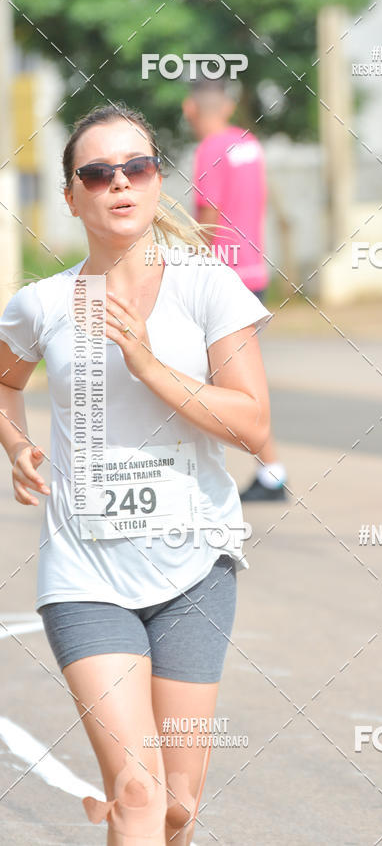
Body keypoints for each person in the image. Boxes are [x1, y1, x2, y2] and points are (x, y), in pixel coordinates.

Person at [0, 102, 273, 846]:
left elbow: (254, 426)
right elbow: (3, 378)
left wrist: (147, 364)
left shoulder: (206, 288)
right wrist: (14, 442)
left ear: (158, 182)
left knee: (178, 808)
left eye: (137, 167)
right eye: (97, 172)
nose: (119, 183)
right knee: (136, 790)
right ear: (72, 196)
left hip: (195, 569)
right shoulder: (43, 303)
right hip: (84, 572)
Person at [182, 78, 289, 502]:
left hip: (223, 278)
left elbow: (208, 219)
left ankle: (259, 473)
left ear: (192, 109)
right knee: (233, 383)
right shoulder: (249, 143)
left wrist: (189, 272)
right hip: (254, 275)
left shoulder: (209, 150)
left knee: (205, 382)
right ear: (227, 105)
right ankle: (270, 472)